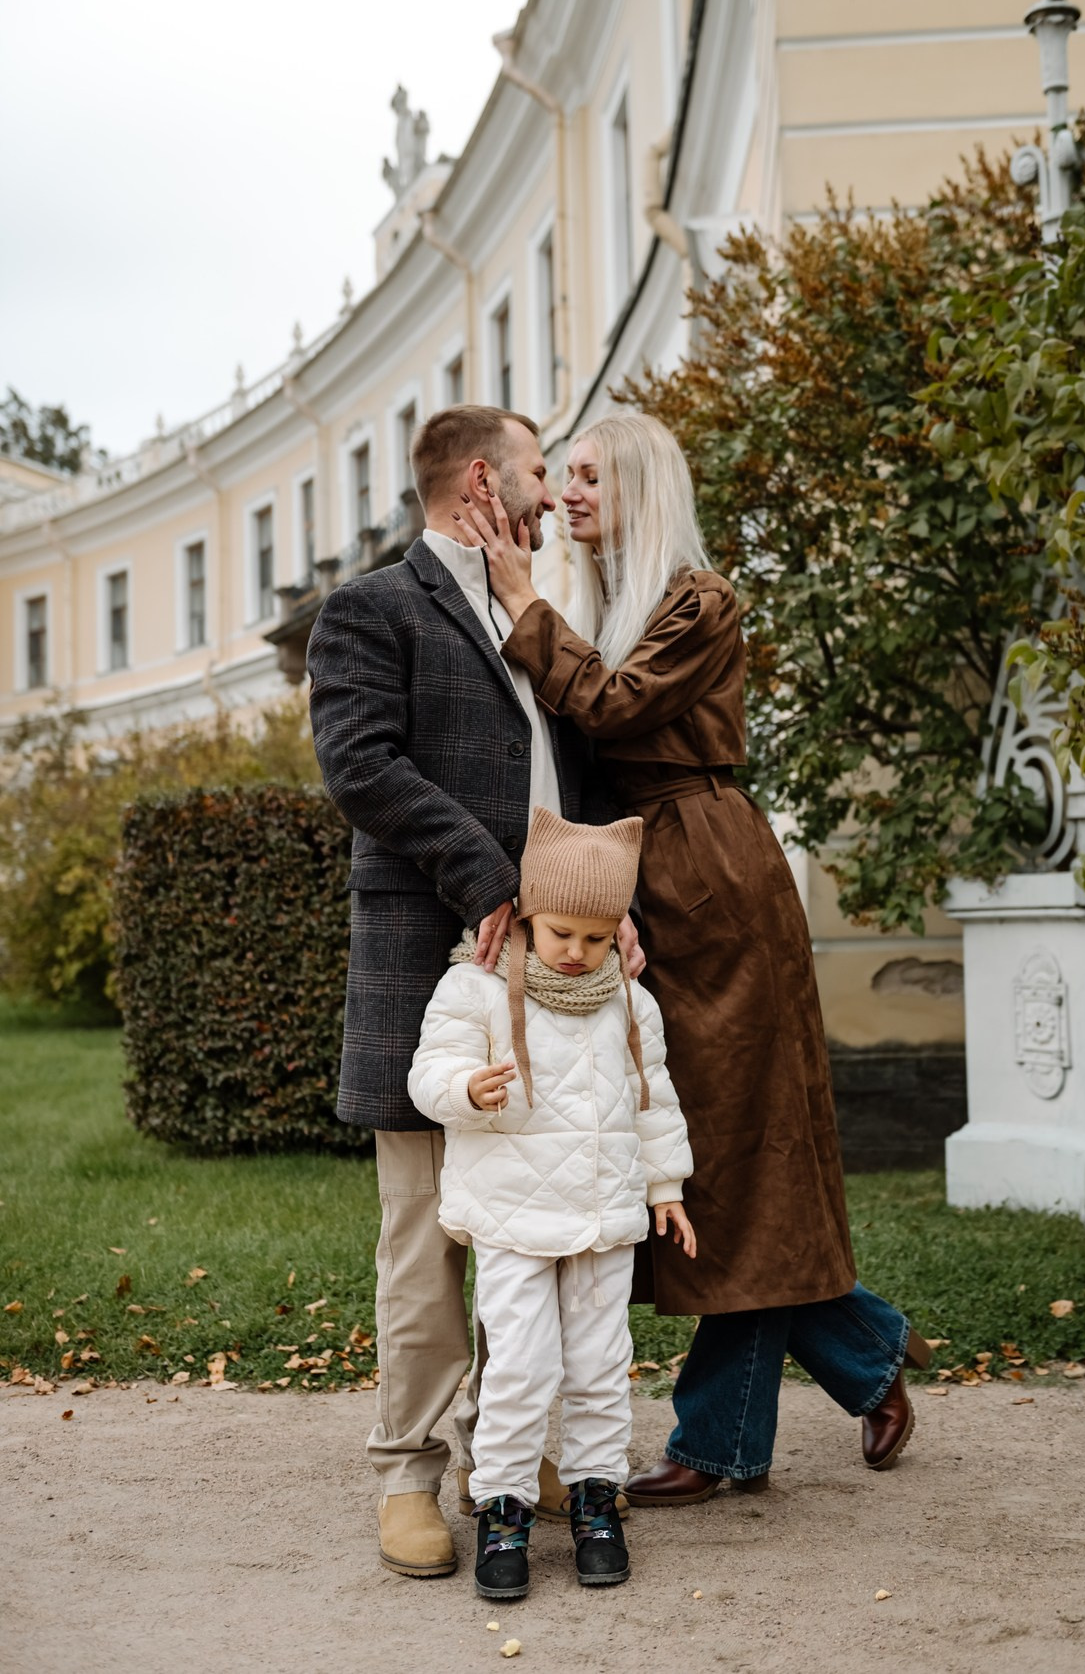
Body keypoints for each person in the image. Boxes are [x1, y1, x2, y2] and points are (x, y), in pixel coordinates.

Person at [449, 410, 932, 1504]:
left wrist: (521, 599)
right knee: (705, 1163)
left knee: (728, 1161)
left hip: (711, 883)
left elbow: (610, 707)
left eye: (588, 477)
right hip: (643, 879)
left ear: (639, 487)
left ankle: (725, 1438)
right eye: (560, 476)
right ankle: (862, 1348)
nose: (568, 493)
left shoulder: (696, 600)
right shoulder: (612, 602)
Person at [307, 405, 642, 1579]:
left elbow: (583, 782)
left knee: (537, 1220)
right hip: (426, 955)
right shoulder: (372, 607)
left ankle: (508, 1449)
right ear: (479, 482)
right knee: (424, 1232)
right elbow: (361, 763)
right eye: (541, 472)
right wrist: (490, 877)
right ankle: (409, 1469)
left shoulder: (542, 617)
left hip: (557, 969)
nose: (554, 495)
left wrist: (604, 904)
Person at [408, 807, 694, 1599]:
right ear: (528, 914)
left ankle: (597, 1498)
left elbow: (653, 1097)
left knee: (602, 1366)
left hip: (603, 1217)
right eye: (563, 933)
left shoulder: (631, 1004)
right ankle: (505, 1508)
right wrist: (465, 1088)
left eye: (597, 939)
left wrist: (665, 1186)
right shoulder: (474, 988)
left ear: (617, 935)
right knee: (521, 1368)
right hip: (512, 1216)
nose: (577, 953)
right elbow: (429, 1072)